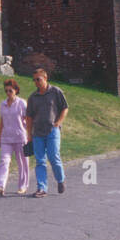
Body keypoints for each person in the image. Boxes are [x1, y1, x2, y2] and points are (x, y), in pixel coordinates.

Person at [26, 66, 69, 197]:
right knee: (40, 160)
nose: (36, 82)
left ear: (45, 78)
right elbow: (29, 117)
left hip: (52, 131)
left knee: (53, 157)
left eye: (38, 79)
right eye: (34, 80)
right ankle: (42, 188)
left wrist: (58, 123)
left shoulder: (56, 92)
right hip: (38, 133)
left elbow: (65, 108)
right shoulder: (33, 97)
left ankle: (60, 180)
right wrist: (29, 134)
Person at [0, 78, 29, 196]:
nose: (8, 93)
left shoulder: (22, 103)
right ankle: (0, 186)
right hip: (6, 138)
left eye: (10, 91)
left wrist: (30, 136)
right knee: (4, 161)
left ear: (16, 91)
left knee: (22, 163)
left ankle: (23, 186)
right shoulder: (3, 104)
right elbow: (2, 122)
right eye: (6, 91)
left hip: (20, 137)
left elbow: (28, 120)